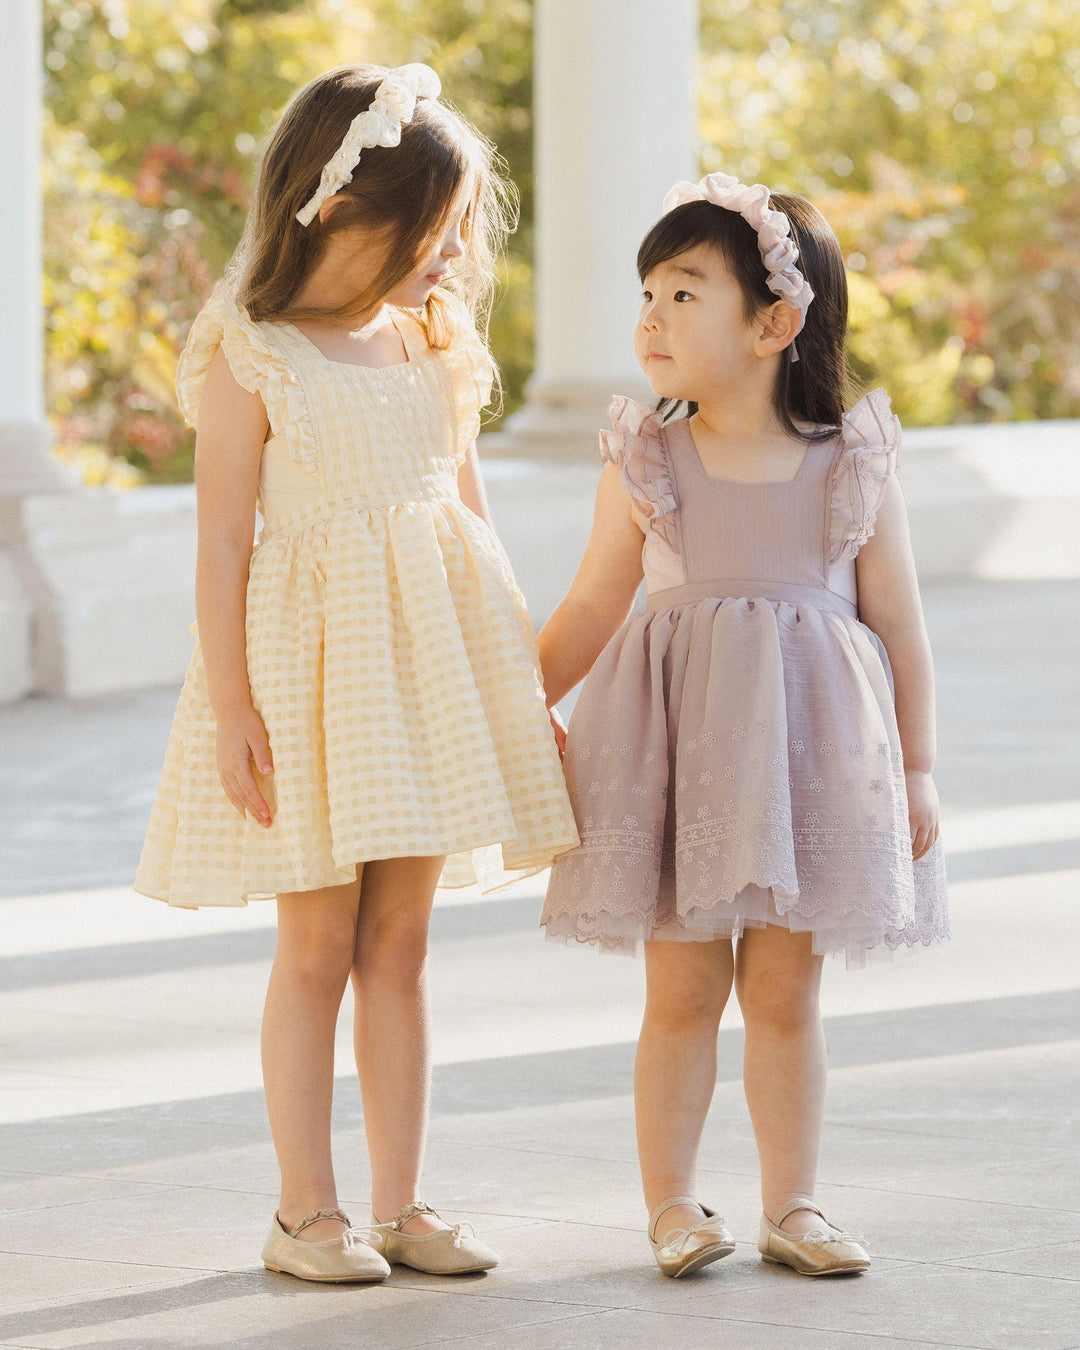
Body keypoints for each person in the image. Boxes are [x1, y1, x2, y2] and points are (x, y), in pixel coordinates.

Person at [135, 61, 579, 1283]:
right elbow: (222, 538)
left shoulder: (432, 342)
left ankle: (404, 1203)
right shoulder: (252, 350)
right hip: (314, 683)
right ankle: (302, 1213)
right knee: (319, 947)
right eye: (430, 234)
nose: (451, 259)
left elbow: (469, 522)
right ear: (338, 210)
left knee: (402, 947)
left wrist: (518, 695)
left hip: (428, 676)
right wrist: (232, 706)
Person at [537, 172, 949, 1278]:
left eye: (684, 294)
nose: (651, 319)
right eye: (648, 294)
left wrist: (917, 771)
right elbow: (590, 606)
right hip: (680, 761)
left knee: (783, 993)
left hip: (807, 766)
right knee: (681, 990)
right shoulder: (647, 462)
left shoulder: (850, 465)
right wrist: (518, 699)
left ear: (774, 324)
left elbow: (901, 627)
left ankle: (796, 1204)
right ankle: (673, 1205)